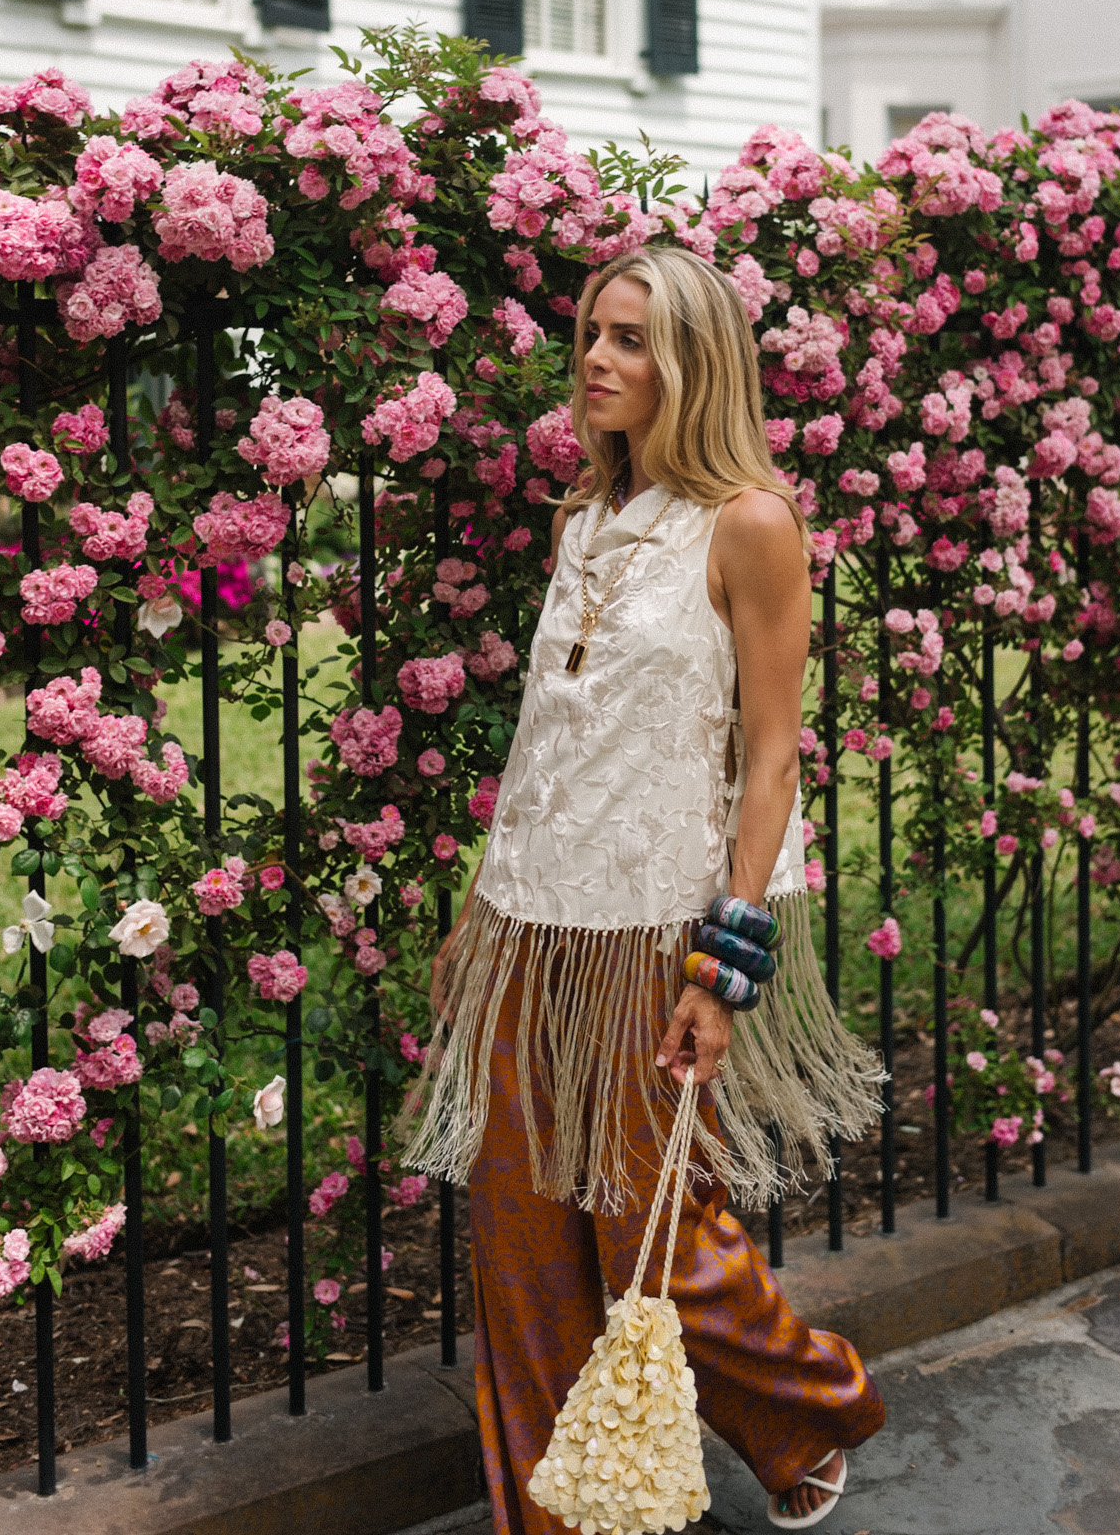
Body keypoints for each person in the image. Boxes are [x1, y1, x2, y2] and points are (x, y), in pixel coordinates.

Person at [402, 246, 886, 1534]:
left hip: (657, 932)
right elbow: (544, 742)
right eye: (592, 336)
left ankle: (808, 1411)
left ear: (693, 364)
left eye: (630, 340)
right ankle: (557, 1518)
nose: (599, 361)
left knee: (652, 1236)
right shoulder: (583, 520)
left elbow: (771, 756)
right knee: (519, 1246)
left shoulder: (752, 525)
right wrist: (475, 917)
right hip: (530, 923)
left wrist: (722, 975)